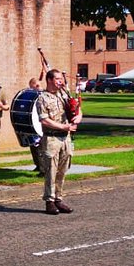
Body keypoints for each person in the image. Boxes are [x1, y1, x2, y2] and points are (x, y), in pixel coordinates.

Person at [36, 68, 82, 214]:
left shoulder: (64, 94)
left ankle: (58, 199)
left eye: (61, 79)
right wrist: (63, 126)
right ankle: (49, 201)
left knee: (63, 169)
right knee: (51, 170)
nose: (60, 81)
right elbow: (44, 120)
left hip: (66, 137)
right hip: (51, 138)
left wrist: (78, 118)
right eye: (57, 79)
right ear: (49, 80)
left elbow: (77, 108)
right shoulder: (42, 98)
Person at [27, 75, 46, 175]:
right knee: (33, 146)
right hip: (33, 125)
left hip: (41, 126)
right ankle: (38, 165)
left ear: (37, 85)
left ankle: (43, 169)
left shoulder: (44, 95)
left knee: (41, 147)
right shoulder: (33, 95)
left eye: (32, 87)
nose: (31, 89)